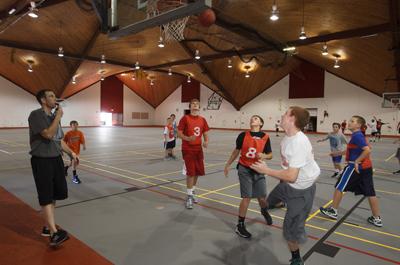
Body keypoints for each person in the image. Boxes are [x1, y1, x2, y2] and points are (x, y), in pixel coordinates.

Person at [251, 106, 320, 265]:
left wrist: (266, 170)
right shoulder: (286, 138)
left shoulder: (299, 142)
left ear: (292, 118)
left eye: (285, 113)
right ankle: (274, 205)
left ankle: (297, 258)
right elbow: (286, 170)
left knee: (289, 231)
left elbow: (292, 176)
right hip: (288, 185)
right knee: (267, 202)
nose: (281, 115)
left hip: (301, 191)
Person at [28, 89, 78, 247]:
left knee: (55, 194)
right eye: (50, 96)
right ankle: (54, 234)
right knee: (46, 195)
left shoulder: (52, 117)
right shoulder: (36, 115)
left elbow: (57, 140)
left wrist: (71, 153)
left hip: (56, 159)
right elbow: (48, 134)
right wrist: (58, 116)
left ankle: (48, 227)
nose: (54, 98)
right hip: (42, 161)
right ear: (43, 100)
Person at [320, 115, 382, 227]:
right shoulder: (359, 136)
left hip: (355, 167)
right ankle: (376, 218)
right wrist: (337, 153)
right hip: (367, 168)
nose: (349, 122)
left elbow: (367, 150)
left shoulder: (357, 136)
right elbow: (355, 149)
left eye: (352, 121)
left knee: (340, 186)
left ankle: (333, 210)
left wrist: (357, 161)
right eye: (349, 120)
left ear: (358, 125)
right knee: (370, 192)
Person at [224, 115, 273, 239]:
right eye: (252, 118)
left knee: (262, 198)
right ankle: (240, 225)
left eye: (256, 118)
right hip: (244, 168)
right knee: (247, 197)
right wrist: (228, 164)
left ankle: (264, 211)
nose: (253, 119)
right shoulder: (242, 135)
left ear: (261, 123)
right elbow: (236, 151)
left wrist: (264, 156)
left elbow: (270, 154)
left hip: (258, 168)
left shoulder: (266, 137)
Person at [178, 99, 210, 209]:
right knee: (191, 172)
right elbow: (179, 133)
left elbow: (205, 132)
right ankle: (189, 196)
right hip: (188, 149)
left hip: (198, 149)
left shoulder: (202, 120)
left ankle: (192, 191)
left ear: (199, 107)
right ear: (190, 106)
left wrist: (206, 141)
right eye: (193, 104)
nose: (195, 105)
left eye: (197, 104)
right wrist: (187, 138)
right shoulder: (185, 118)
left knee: (197, 172)